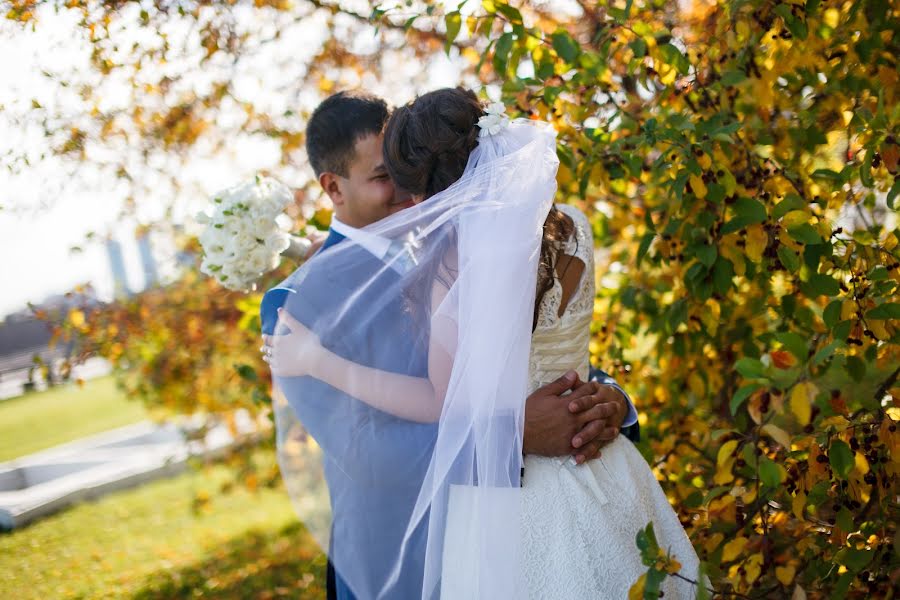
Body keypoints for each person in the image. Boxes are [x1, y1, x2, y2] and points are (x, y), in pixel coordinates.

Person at [260, 90, 645, 599]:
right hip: (404, 565)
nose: (405, 191)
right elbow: (368, 452)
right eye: (383, 177)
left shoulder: (475, 242)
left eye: (407, 172)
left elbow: (542, 352)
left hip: (521, 521)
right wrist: (516, 435)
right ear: (334, 186)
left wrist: (612, 401)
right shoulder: (300, 302)